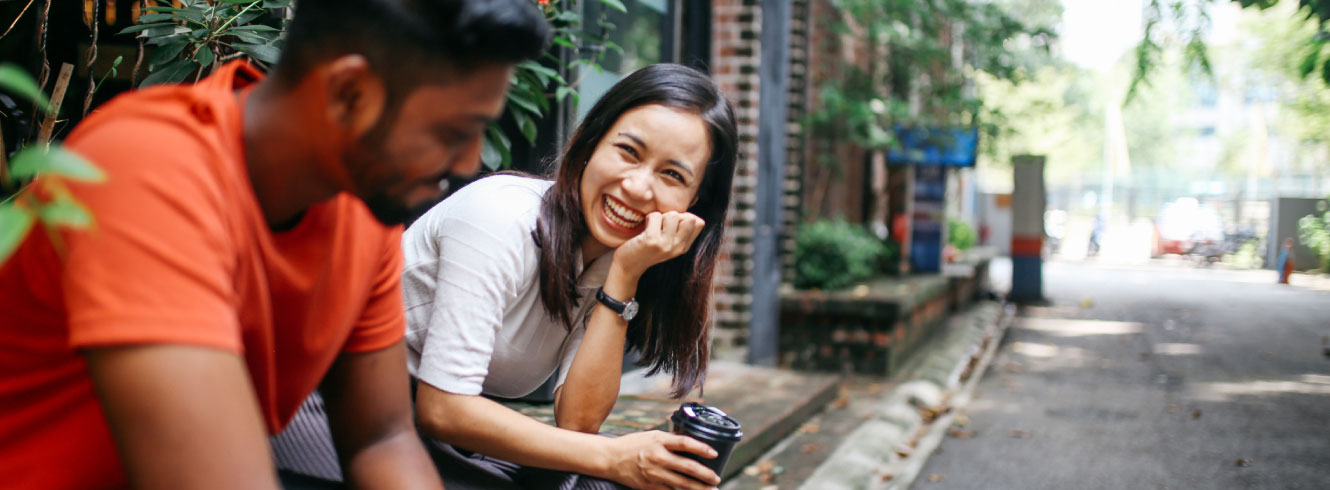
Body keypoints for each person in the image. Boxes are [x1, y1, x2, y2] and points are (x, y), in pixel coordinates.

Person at [0, 1, 549, 488]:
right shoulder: (150, 171)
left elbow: (381, 441)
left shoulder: (364, 212)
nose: (469, 164)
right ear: (349, 93)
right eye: (452, 132)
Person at [275, 63, 738, 490]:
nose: (637, 187)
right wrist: (616, 455)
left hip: (422, 429)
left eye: (672, 175)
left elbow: (577, 425)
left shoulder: (619, 256)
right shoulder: (499, 216)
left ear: (694, 202)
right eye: (627, 151)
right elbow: (445, 408)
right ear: (592, 141)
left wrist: (624, 278)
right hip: (327, 407)